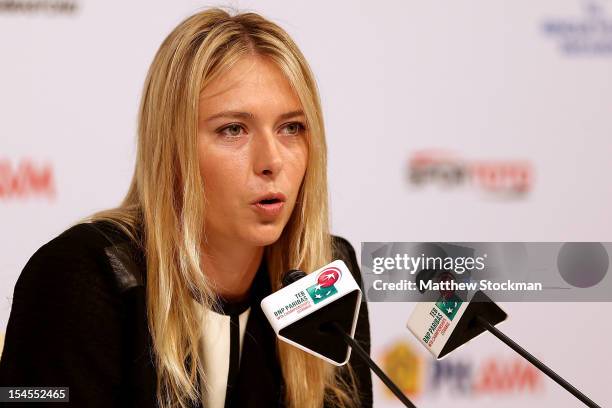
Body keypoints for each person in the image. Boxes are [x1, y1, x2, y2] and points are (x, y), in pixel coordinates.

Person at [0, 7, 372, 408]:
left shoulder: (325, 273)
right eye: (233, 129)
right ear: (173, 150)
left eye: (291, 128)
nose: (272, 160)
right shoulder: (83, 276)